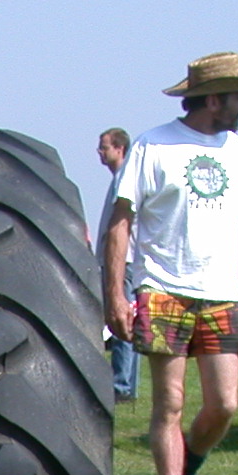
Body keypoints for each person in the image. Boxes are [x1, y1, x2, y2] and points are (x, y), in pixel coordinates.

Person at [103, 52, 238, 475]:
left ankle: (188, 470)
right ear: (213, 99)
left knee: (224, 405)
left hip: (222, 294)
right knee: (169, 403)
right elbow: (120, 223)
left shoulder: (236, 149)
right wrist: (116, 294)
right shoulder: (153, 145)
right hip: (163, 287)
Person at [96, 128, 139, 401]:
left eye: (104, 147)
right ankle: (125, 383)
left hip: (123, 261)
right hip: (118, 260)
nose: (100, 153)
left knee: (121, 318)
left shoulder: (124, 179)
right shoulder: (118, 179)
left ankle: (122, 385)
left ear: (119, 149)